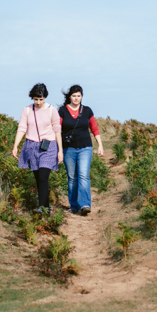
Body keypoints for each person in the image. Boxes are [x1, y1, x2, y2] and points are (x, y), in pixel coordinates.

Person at [12, 83, 63, 214]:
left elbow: (57, 131)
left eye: (41, 99)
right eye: (36, 99)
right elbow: (22, 128)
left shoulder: (52, 110)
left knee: (43, 177)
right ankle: (46, 207)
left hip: (49, 146)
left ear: (45, 97)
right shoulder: (27, 110)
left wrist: (60, 150)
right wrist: (15, 146)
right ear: (32, 98)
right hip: (31, 147)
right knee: (38, 178)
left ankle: (41, 207)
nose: (38, 102)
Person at [58, 85, 104, 216]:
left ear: (82, 97)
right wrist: (58, 149)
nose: (76, 98)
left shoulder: (87, 111)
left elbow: (94, 129)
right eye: (74, 96)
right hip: (68, 149)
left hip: (85, 147)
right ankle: (73, 205)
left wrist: (100, 145)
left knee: (83, 175)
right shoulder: (62, 111)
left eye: (78, 96)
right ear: (69, 97)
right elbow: (57, 130)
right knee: (72, 178)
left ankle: (84, 204)